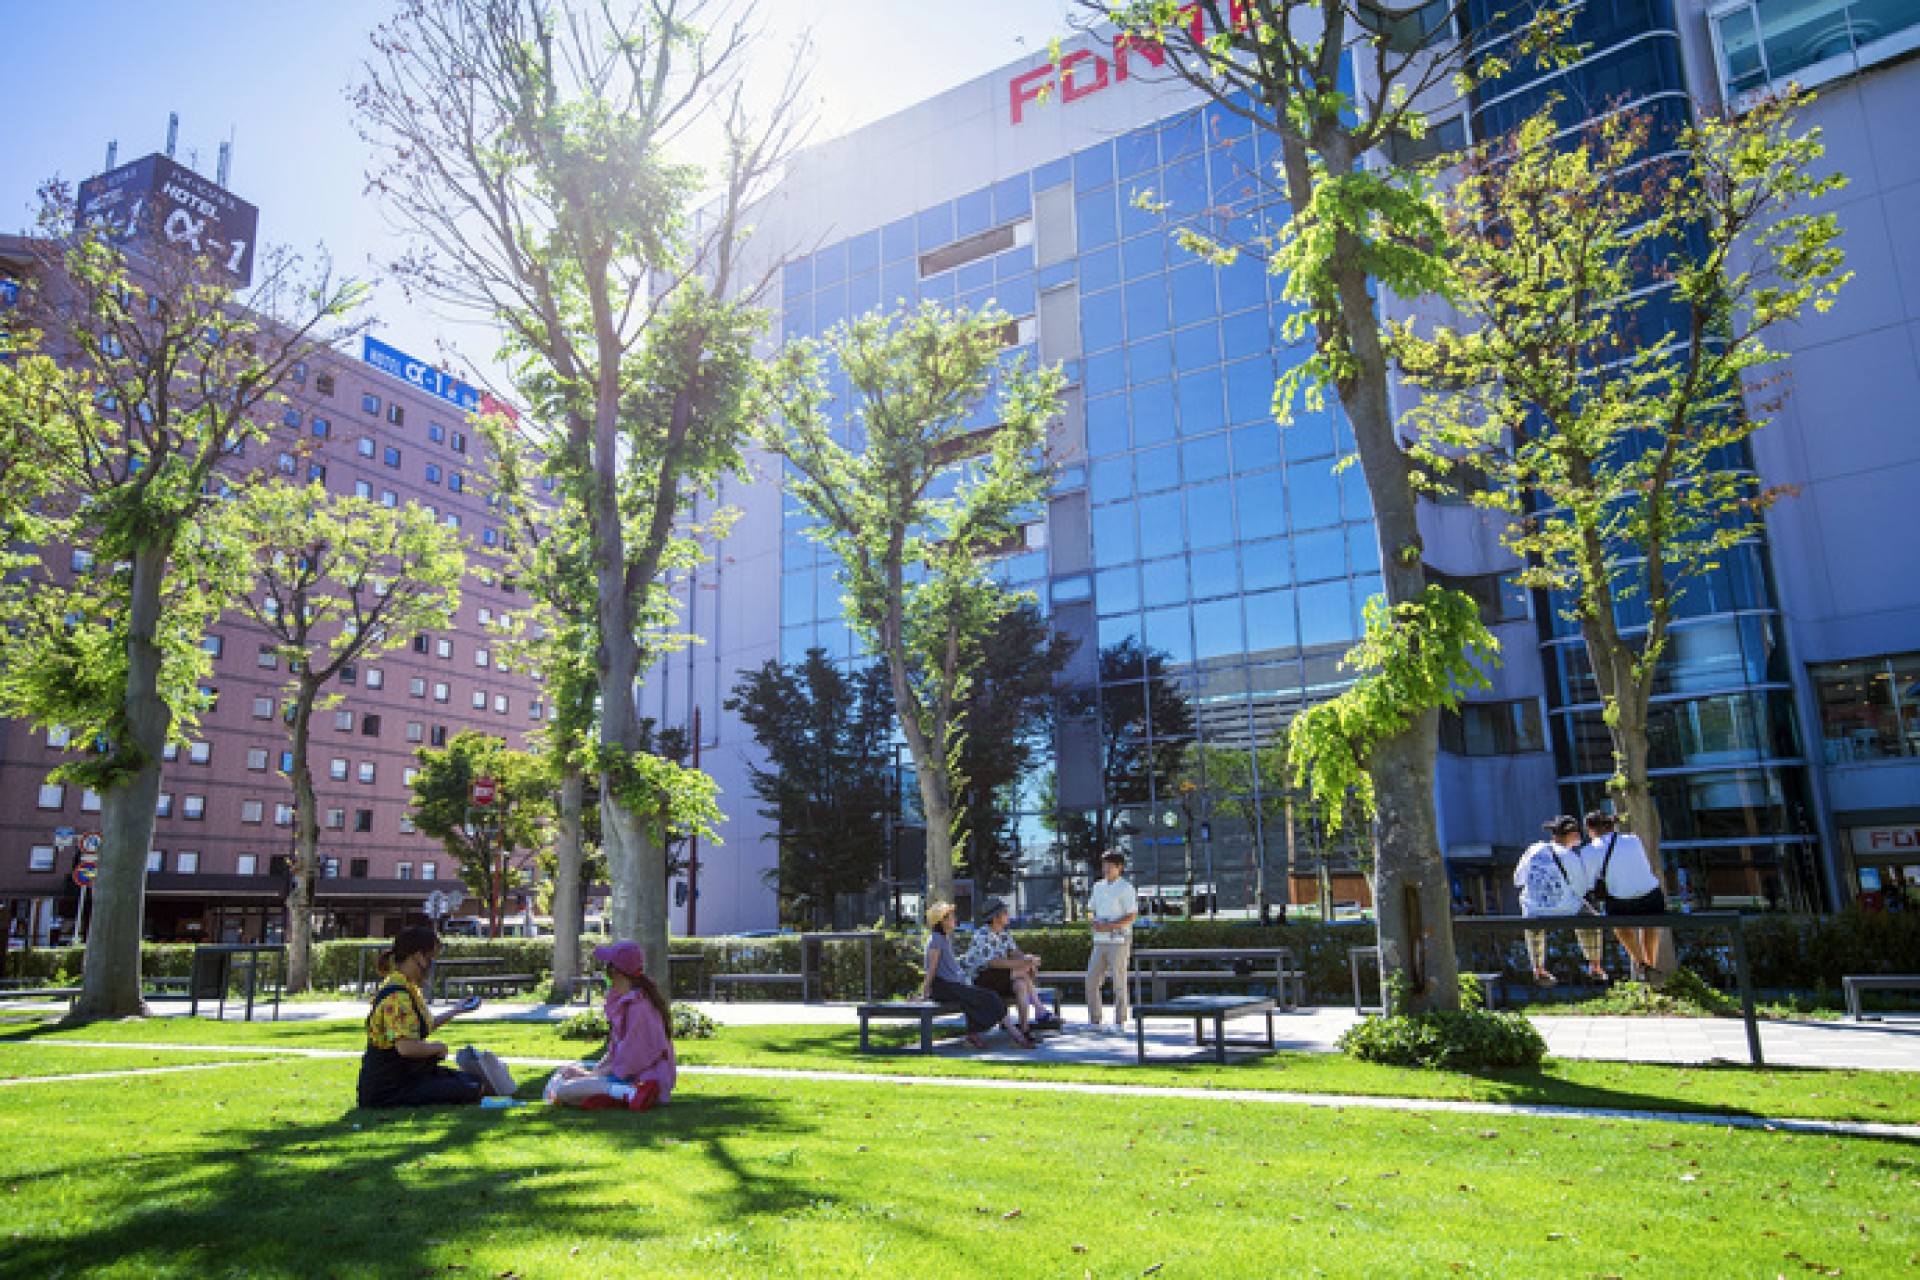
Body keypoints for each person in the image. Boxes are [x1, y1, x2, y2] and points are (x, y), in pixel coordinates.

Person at [357, 925, 514, 1108]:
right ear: (417, 956)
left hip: (406, 1077)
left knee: (473, 1081)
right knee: (472, 1088)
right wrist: (436, 1048)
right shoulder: (396, 996)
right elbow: (405, 1047)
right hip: (389, 1088)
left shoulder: (405, 987)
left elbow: (418, 1027)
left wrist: (456, 1010)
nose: (432, 963)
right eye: (430, 957)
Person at [545, 941, 675, 1111]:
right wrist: (592, 1075)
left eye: (608, 971)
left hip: (642, 1081)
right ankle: (617, 1095)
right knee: (568, 1072)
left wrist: (596, 1077)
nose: (606, 977)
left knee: (564, 1090)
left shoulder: (639, 1008)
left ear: (618, 973)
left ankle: (629, 1093)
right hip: (629, 1075)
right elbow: (618, 1051)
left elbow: (632, 1060)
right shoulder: (628, 1002)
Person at [922, 901, 1033, 1049]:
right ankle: (1017, 1036)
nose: (955, 919)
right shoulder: (936, 939)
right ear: (942, 920)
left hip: (953, 985)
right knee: (989, 997)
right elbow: (932, 969)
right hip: (943, 986)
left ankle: (973, 1036)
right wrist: (925, 992)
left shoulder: (944, 938)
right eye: (951, 917)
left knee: (978, 997)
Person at [1513, 815, 1607, 986]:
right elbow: (1581, 889)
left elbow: (1518, 879)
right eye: (1577, 832)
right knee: (1592, 919)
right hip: (1566, 908)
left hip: (1534, 910)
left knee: (1531, 918)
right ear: (1570, 834)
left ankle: (1539, 968)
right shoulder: (1570, 857)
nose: (1580, 835)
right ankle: (1595, 965)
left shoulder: (1533, 849)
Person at [1581, 810, 1668, 984]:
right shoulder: (1634, 840)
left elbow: (1589, 884)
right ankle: (1650, 964)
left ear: (1589, 830)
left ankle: (1640, 963)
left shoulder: (1589, 850)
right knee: (1649, 925)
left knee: (1620, 927)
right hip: (1652, 896)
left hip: (1621, 902)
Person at [962, 899, 1053, 1034]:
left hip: (1000, 976)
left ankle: (1024, 1029)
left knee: (1021, 984)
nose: (1007, 914)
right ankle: (1039, 1008)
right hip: (981, 978)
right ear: (995, 917)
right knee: (1022, 971)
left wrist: (1029, 959)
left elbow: (1016, 953)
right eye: (1005, 912)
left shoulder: (1004, 934)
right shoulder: (982, 935)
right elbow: (994, 962)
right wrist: (1025, 964)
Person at [1083, 849, 1138, 1034]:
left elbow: (1131, 916)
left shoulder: (1126, 888)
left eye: (1110, 865)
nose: (1105, 868)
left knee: (1119, 980)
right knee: (1091, 979)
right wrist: (1093, 921)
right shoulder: (1098, 886)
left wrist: (1110, 925)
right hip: (1100, 940)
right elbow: (1090, 909)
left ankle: (1120, 1021)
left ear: (1119, 867)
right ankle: (1095, 1020)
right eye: (1104, 864)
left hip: (1119, 940)